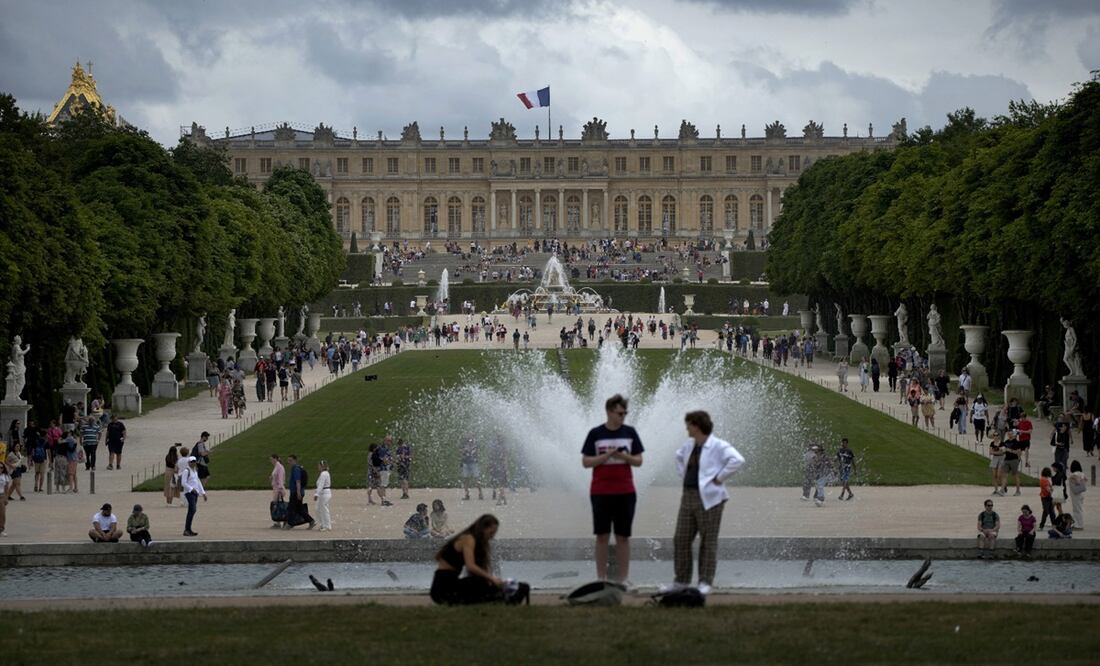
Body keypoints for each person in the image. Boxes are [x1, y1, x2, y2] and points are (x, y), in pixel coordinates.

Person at [668, 410, 744, 595]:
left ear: (697, 426)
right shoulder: (689, 445)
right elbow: (678, 457)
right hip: (688, 496)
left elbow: (737, 459)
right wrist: (684, 476)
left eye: (689, 424)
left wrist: (720, 477)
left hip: (710, 499)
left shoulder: (718, 445)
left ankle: (705, 581)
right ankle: (681, 581)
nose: (686, 428)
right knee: (681, 539)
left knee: (708, 542)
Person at [581, 394, 644, 584]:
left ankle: (623, 578)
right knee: (602, 536)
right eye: (619, 413)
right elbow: (586, 462)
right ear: (609, 412)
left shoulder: (630, 433)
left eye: (625, 413)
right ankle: (601, 578)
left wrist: (624, 457)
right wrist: (606, 456)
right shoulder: (596, 433)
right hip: (600, 491)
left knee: (623, 537)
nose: (622, 416)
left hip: (625, 491)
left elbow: (639, 461)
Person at [430, 514, 504, 605]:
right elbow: (470, 566)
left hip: (451, 584)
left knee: (484, 585)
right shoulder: (468, 539)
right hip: (443, 590)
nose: (492, 536)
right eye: (491, 533)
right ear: (483, 529)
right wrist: (492, 579)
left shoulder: (473, 540)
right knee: (480, 584)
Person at [179, 452, 207, 536]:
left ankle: (188, 529)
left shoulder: (194, 471)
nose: (193, 463)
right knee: (192, 510)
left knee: (192, 510)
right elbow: (183, 483)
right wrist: (191, 489)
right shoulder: (186, 471)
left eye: (194, 461)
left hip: (195, 493)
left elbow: (198, 482)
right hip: (189, 493)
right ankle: (187, 529)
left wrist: (203, 493)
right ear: (189, 462)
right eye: (192, 461)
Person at [286, 454, 316, 529]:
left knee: (291, 508)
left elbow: (298, 481)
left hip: (296, 492)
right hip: (297, 492)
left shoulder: (296, 469)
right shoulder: (296, 468)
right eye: (288, 460)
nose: (289, 462)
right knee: (299, 508)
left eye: (290, 460)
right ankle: (311, 521)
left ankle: (290, 524)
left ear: (295, 461)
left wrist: (298, 492)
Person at [460, 434, 483, 501]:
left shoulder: (475, 444)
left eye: (471, 437)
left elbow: (476, 453)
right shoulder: (465, 444)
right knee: (466, 479)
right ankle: (467, 494)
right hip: (466, 463)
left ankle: (480, 494)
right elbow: (461, 452)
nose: (470, 438)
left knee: (477, 479)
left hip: (473, 463)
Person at [1001, 430, 1023, 496]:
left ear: (1013, 435)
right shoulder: (1006, 442)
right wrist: (1003, 450)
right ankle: (1002, 490)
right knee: (1004, 475)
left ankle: (1018, 491)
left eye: (1011, 434)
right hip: (1006, 459)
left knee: (1015, 475)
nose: (1009, 435)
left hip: (1014, 460)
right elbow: (1004, 451)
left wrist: (1009, 450)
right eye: (1008, 434)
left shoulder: (1016, 442)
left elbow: (1019, 452)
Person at [372, 439, 393, 507]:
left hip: (382, 469)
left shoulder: (381, 449)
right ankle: (383, 500)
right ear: (386, 441)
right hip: (383, 469)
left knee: (382, 485)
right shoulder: (383, 449)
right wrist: (390, 462)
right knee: (382, 486)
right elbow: (384, 460)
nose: (391, 442)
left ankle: (384, 500)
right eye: (389, 441)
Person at [1067, 460, 1087, 530]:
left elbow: (1078, 481)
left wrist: (1077, 481)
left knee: (1077, 510)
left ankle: (1079, 525)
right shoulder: (1082, 473)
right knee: (1079, 509)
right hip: (1081, 494)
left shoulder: (1074, 474)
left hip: (1076, 495)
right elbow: (1086, 479)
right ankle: (1077, 523)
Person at [314, 459, 332, 531]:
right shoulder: (325, 473)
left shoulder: (323, 474)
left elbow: (321, 485)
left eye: (319, 465)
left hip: (324, 493)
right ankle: (322, 524)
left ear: (322, 466)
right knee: (318, 509)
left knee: (324, 510)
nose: (318, 467)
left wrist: (316, 494)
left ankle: (327, 526)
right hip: (323, 493)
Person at [0, 462, 11, 537]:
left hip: (1, 496)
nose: (0, 469)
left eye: (1, 467)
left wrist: (6, 498)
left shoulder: (5, 476)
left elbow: (7, 488)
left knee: (2, 514)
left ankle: (1, 529)